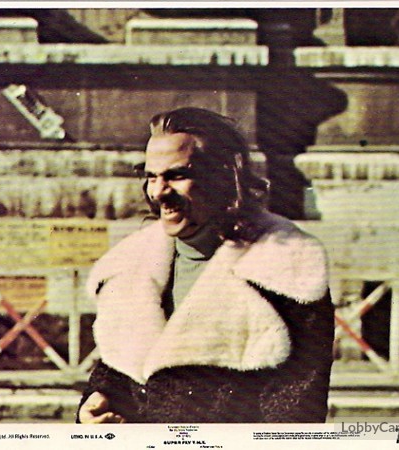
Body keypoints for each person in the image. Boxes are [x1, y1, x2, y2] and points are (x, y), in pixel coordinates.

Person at [77, 107, 334, 423]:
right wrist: (96, 404)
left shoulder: (287, 270)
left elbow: (295, 415)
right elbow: (119, 372)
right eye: (151, 177)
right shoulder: (128, 268)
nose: (158, 193)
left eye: (176, 176)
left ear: (223, 177)